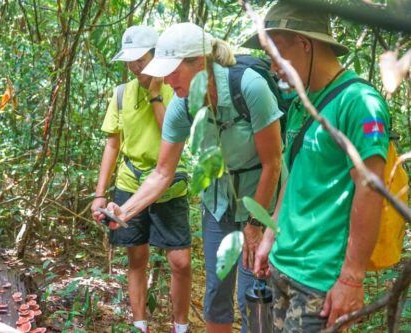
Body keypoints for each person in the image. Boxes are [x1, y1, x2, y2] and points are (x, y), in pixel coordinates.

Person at [100, 22, 283, 333]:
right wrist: (125, 211)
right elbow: (162, 173)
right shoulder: (181, 106)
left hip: (259, 199)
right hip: (219, 201)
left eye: (173, 71)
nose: (167, 80)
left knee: (253, 294)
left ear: (200, 62)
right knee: (216, 293)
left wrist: (256, 226)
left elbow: (273, 163)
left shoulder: (249, 87)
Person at [244, 1, 390, 331]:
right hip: (283, 266)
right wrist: (270, 234)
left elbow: (371, 190)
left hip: (318, 282)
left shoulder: (360, 103)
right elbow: (293, 179)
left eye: (277, 52)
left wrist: (352, 278)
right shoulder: (302, 102)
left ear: (305, 44)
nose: (273, 66)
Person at [91, 25, 192, 333]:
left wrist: (154, 96)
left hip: (169, 186)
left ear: (155, 54)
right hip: (130, 183)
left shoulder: (176, 88)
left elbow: (172, 136)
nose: (135, 67)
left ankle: (181, 328)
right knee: (137, 257)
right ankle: (139, 325)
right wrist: (99, 193)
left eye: (141, 59)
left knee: (181, 262)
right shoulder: (121, 94)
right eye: (130, 61)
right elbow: (113, 144)